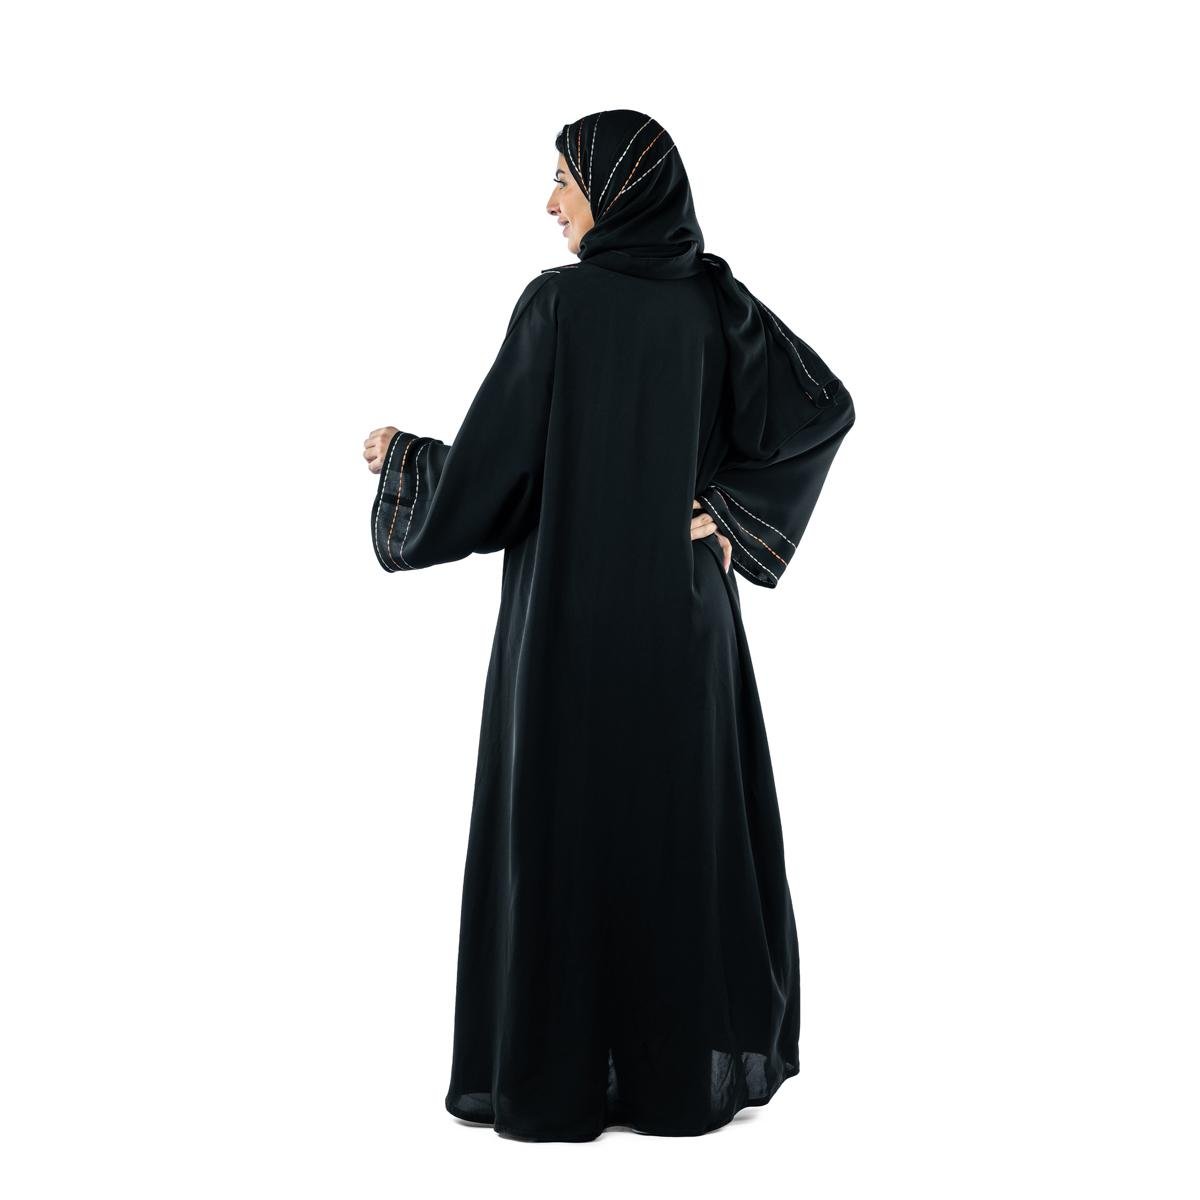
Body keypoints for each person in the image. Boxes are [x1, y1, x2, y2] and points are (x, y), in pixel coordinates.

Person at [362, 109, 855, 1142]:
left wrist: (408, 458)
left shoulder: (560, 307)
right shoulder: (716, 301)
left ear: (615, 189)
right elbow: (823, 408)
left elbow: (494, 481)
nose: (550, 203)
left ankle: (563, 1083)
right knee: (675, 828)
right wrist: (735, 511)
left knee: (570, 830)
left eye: (564, 180)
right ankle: (675, 1083)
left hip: (571, 628)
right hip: (685, 624)